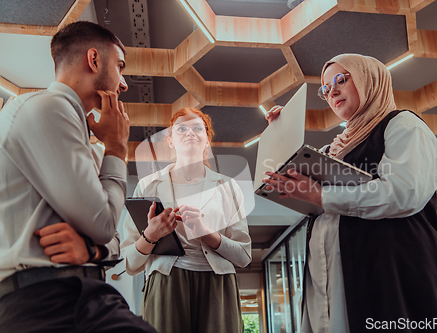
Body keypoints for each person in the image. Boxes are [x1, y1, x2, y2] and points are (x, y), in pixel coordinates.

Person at [264, 54, 437, 332]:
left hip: (395, 277)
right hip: (341, 278)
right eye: (325, 88)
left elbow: (403, 192)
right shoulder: (333, 149)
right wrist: (281, 131)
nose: (331, 90)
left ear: (370, 80)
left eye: (340, 80)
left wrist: (322, 197)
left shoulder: (402, 125)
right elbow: (295, 178)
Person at [0, 21, 157, 332]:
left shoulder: (85, 141)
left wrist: (92, 250)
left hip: (78, 295)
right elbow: (102, 223)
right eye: (119, 66)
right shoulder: (48, 107)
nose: (123, 83)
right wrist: (117, 146)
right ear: (94, 59)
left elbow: (109, 241)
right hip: (46, 300)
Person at [121, 107, 251, 333]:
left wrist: (207, 233)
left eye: (198, 128)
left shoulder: (228, 187)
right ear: (170, 140)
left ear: (207, 139)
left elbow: (244, 256)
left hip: (218, 286)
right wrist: (150, 236)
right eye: (181, 128)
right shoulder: (148, 185)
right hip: (165, 284)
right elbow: (129, 263)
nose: (190, 132)